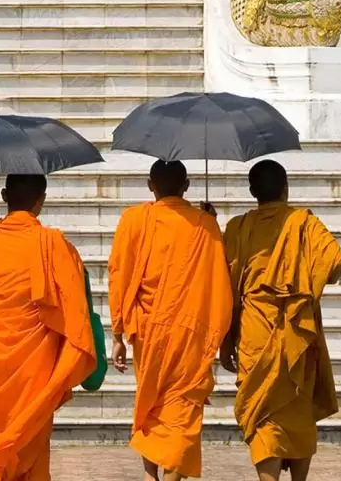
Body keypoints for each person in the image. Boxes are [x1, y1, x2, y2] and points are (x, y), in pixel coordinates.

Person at [0, 174, 97, 481]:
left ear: (3, 195)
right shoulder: (56, 246)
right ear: (42, 199)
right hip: (34, 369)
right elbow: (76, 312)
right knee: (30, 445)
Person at [220, 160, 341, 481]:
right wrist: (306, 284)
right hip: (295, 332)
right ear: (286, 188)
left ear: (252, 192)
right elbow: (336, 263)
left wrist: (225, 339)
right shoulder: (303, 223)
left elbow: (225, 284)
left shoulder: (237, 228)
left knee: (264, 414)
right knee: (296, 407)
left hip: (254, 331)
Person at [108, 160, 233, 481]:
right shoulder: (204, 225)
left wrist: (118, 334)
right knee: (182, 404)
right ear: (187, 185)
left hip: (149, 332)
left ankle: (152, 476)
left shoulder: (133, 220)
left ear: (151, 185)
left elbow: (118, 276)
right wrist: (209, 224)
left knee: (151, 401)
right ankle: (173, 475)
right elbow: (219, 280)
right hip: (190, 332)